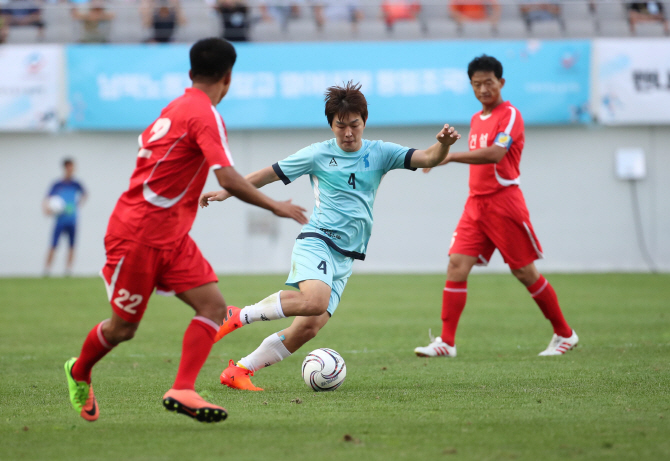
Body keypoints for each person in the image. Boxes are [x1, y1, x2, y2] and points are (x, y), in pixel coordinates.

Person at [63, 38, 308, 423]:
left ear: (191, 73)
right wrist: (276, 205)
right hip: (138, 236)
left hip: (171, 236)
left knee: (212, 306)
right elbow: (226, 176)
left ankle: (183, 389)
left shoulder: (175, 108)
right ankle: (79, 371)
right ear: (228, 78)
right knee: (123, 329)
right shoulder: (203, 114)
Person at [199, 81, 461, 391]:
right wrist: (227, 192)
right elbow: (267, 174)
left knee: (309, 326)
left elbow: (430, 158)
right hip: (318, 239)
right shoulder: (317, 154)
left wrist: (444, 143)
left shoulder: (380, 152)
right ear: (331, 125)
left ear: (364, 121)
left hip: (347, 255)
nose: (348, 132)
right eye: (341, 126)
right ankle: (240, 315)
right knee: (314, 300)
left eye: (354, 124)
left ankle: (240, 371)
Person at [414, 55, 578, 359]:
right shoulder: (477, 119)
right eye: (476, 84)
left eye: (488, 82)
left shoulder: (510, 115)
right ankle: (446, 342)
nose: (483, 89)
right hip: (475, 204)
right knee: (456, 266)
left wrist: (449, 157)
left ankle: (565, 334)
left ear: (501, 82)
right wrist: (439, 153)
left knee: (524, 272)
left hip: (503, 203)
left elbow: (494, 154)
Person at [43, 158, 87, 277]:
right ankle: (47, 270)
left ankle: (68, 270)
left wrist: (78, 204)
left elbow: (85, 194)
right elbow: (47, 199)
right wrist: (47, 209)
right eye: (69, 167)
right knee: (53, 244)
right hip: (60, 220)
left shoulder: (76, 184)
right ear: (65, 168)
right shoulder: (57, 184)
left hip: (72, 220)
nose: (71, 169)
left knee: (72, 246)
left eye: (73, 167)